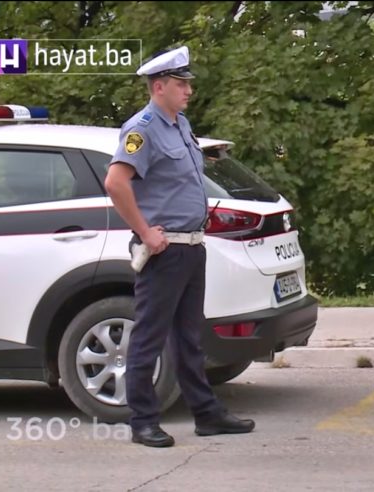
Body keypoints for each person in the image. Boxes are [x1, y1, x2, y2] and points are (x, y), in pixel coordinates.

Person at [104, 46, 255, 448]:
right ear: (159, 87)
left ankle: (206, 414)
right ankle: (143, 421)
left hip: (191, 247)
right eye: (180, 84)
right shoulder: (142, 129)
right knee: (149, 337)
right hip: (164, 249)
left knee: (189, 337)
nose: (188, 90)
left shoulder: (180, 125)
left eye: (188, 83)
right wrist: (145, 232)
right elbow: (116, 183)